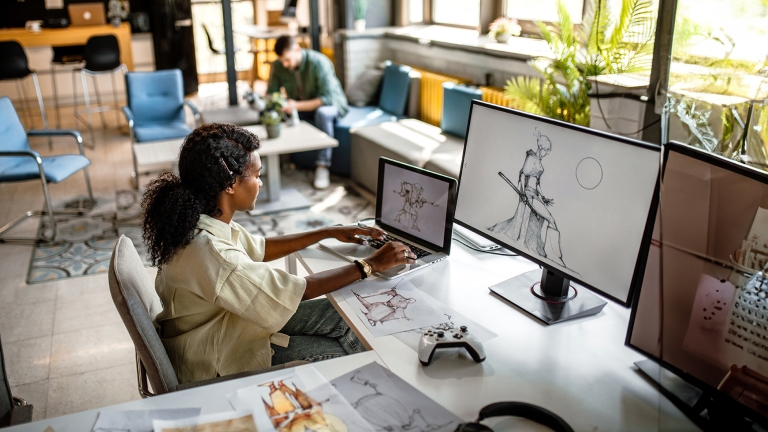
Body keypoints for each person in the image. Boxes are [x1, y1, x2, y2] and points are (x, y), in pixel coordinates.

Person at [141, 123, 415, 384]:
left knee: (346, 316)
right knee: (348, 352)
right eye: (257, 175)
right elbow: (299, 289)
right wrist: (370, 265)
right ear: (230, 184)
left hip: (223, 325)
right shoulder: (213, 252)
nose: (261, 183)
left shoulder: (203, 221)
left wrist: (327, 231)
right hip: (216, 357)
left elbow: (260, 248)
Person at [267, 35, 349, 190]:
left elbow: (327, 99)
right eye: (281, 60)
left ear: (297, 49)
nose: (284, 65)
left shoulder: (318, 63)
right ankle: (273, 163)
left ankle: (323, 167)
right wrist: (276, 103)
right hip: (301, 106)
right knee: (274, 113)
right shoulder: (279, 65)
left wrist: (296, 105)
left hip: (333, 105)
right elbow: (271, 93)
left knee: (322, 114)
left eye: (287, 60)